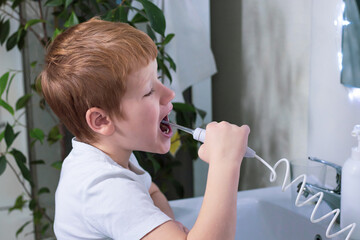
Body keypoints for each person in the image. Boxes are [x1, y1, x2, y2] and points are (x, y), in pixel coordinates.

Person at [40, 17, 250, 240]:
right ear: (101, 120)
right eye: (149, 91)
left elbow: (151, 191)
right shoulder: (104, 188)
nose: (169, 94)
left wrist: (165, 226)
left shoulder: (110, 155)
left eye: (158, 78)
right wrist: (225, 163)